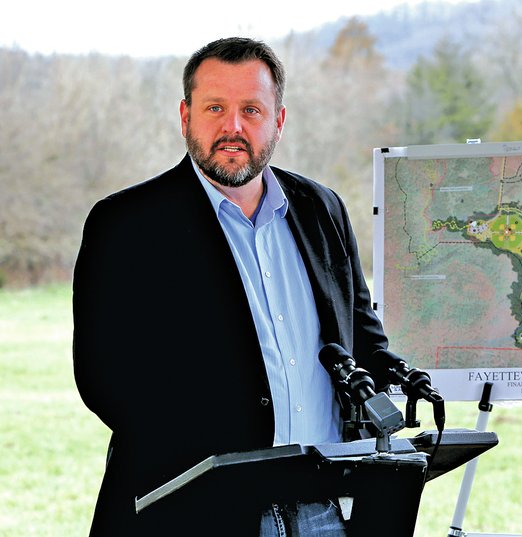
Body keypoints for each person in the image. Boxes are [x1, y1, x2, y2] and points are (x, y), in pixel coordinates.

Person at [73, 37, 398, 536]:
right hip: (195, 512)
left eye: (251, 109)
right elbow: (104, 378)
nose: (233, 126)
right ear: (185, 116)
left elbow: (363, 339)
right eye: (214, 108)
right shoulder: (126, 225)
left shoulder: (323, 209)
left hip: (324, 511)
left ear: (279, 120)